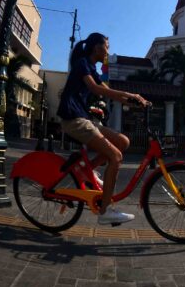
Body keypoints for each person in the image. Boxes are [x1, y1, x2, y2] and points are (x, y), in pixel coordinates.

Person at [57, 32, 149, 225]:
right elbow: (96, 89)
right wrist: (130, 94)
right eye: (107, 46)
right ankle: (106, 211)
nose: (108, 50)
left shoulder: (91, 67)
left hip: (84, 118)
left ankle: (86, 172)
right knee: (115, 156)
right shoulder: (82, 63)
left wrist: (136, 101)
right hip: (74, 119)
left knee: (123, 141)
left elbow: (108, 90)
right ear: (97, 48)